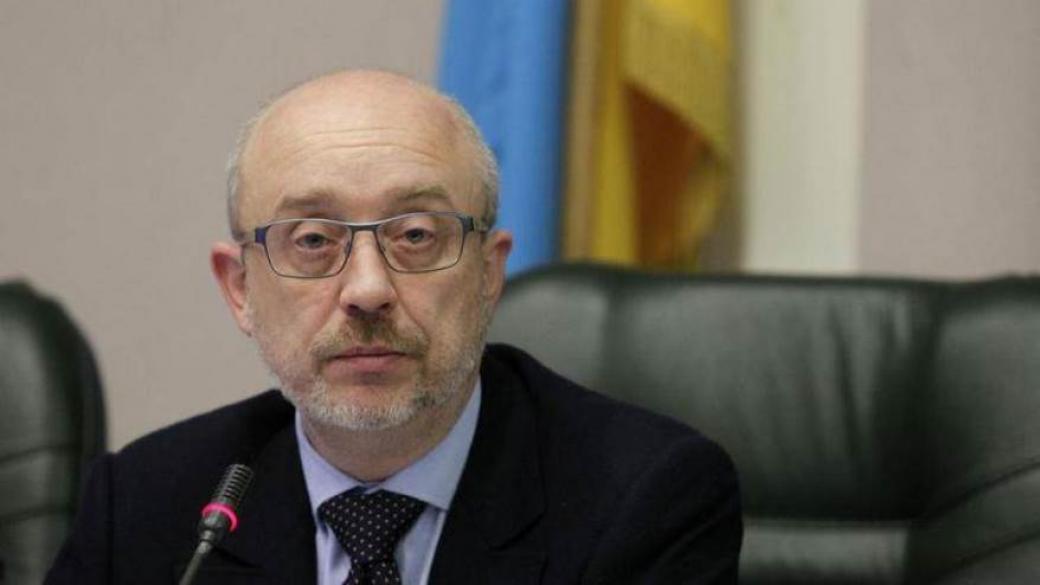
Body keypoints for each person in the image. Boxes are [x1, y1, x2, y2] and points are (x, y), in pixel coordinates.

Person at [46, 70, 742, 584]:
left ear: (488, 273)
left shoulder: (645, 499)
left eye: (415, 235)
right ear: (240, 289)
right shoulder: (145, 503)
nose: (368, 290)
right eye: (313, 240)